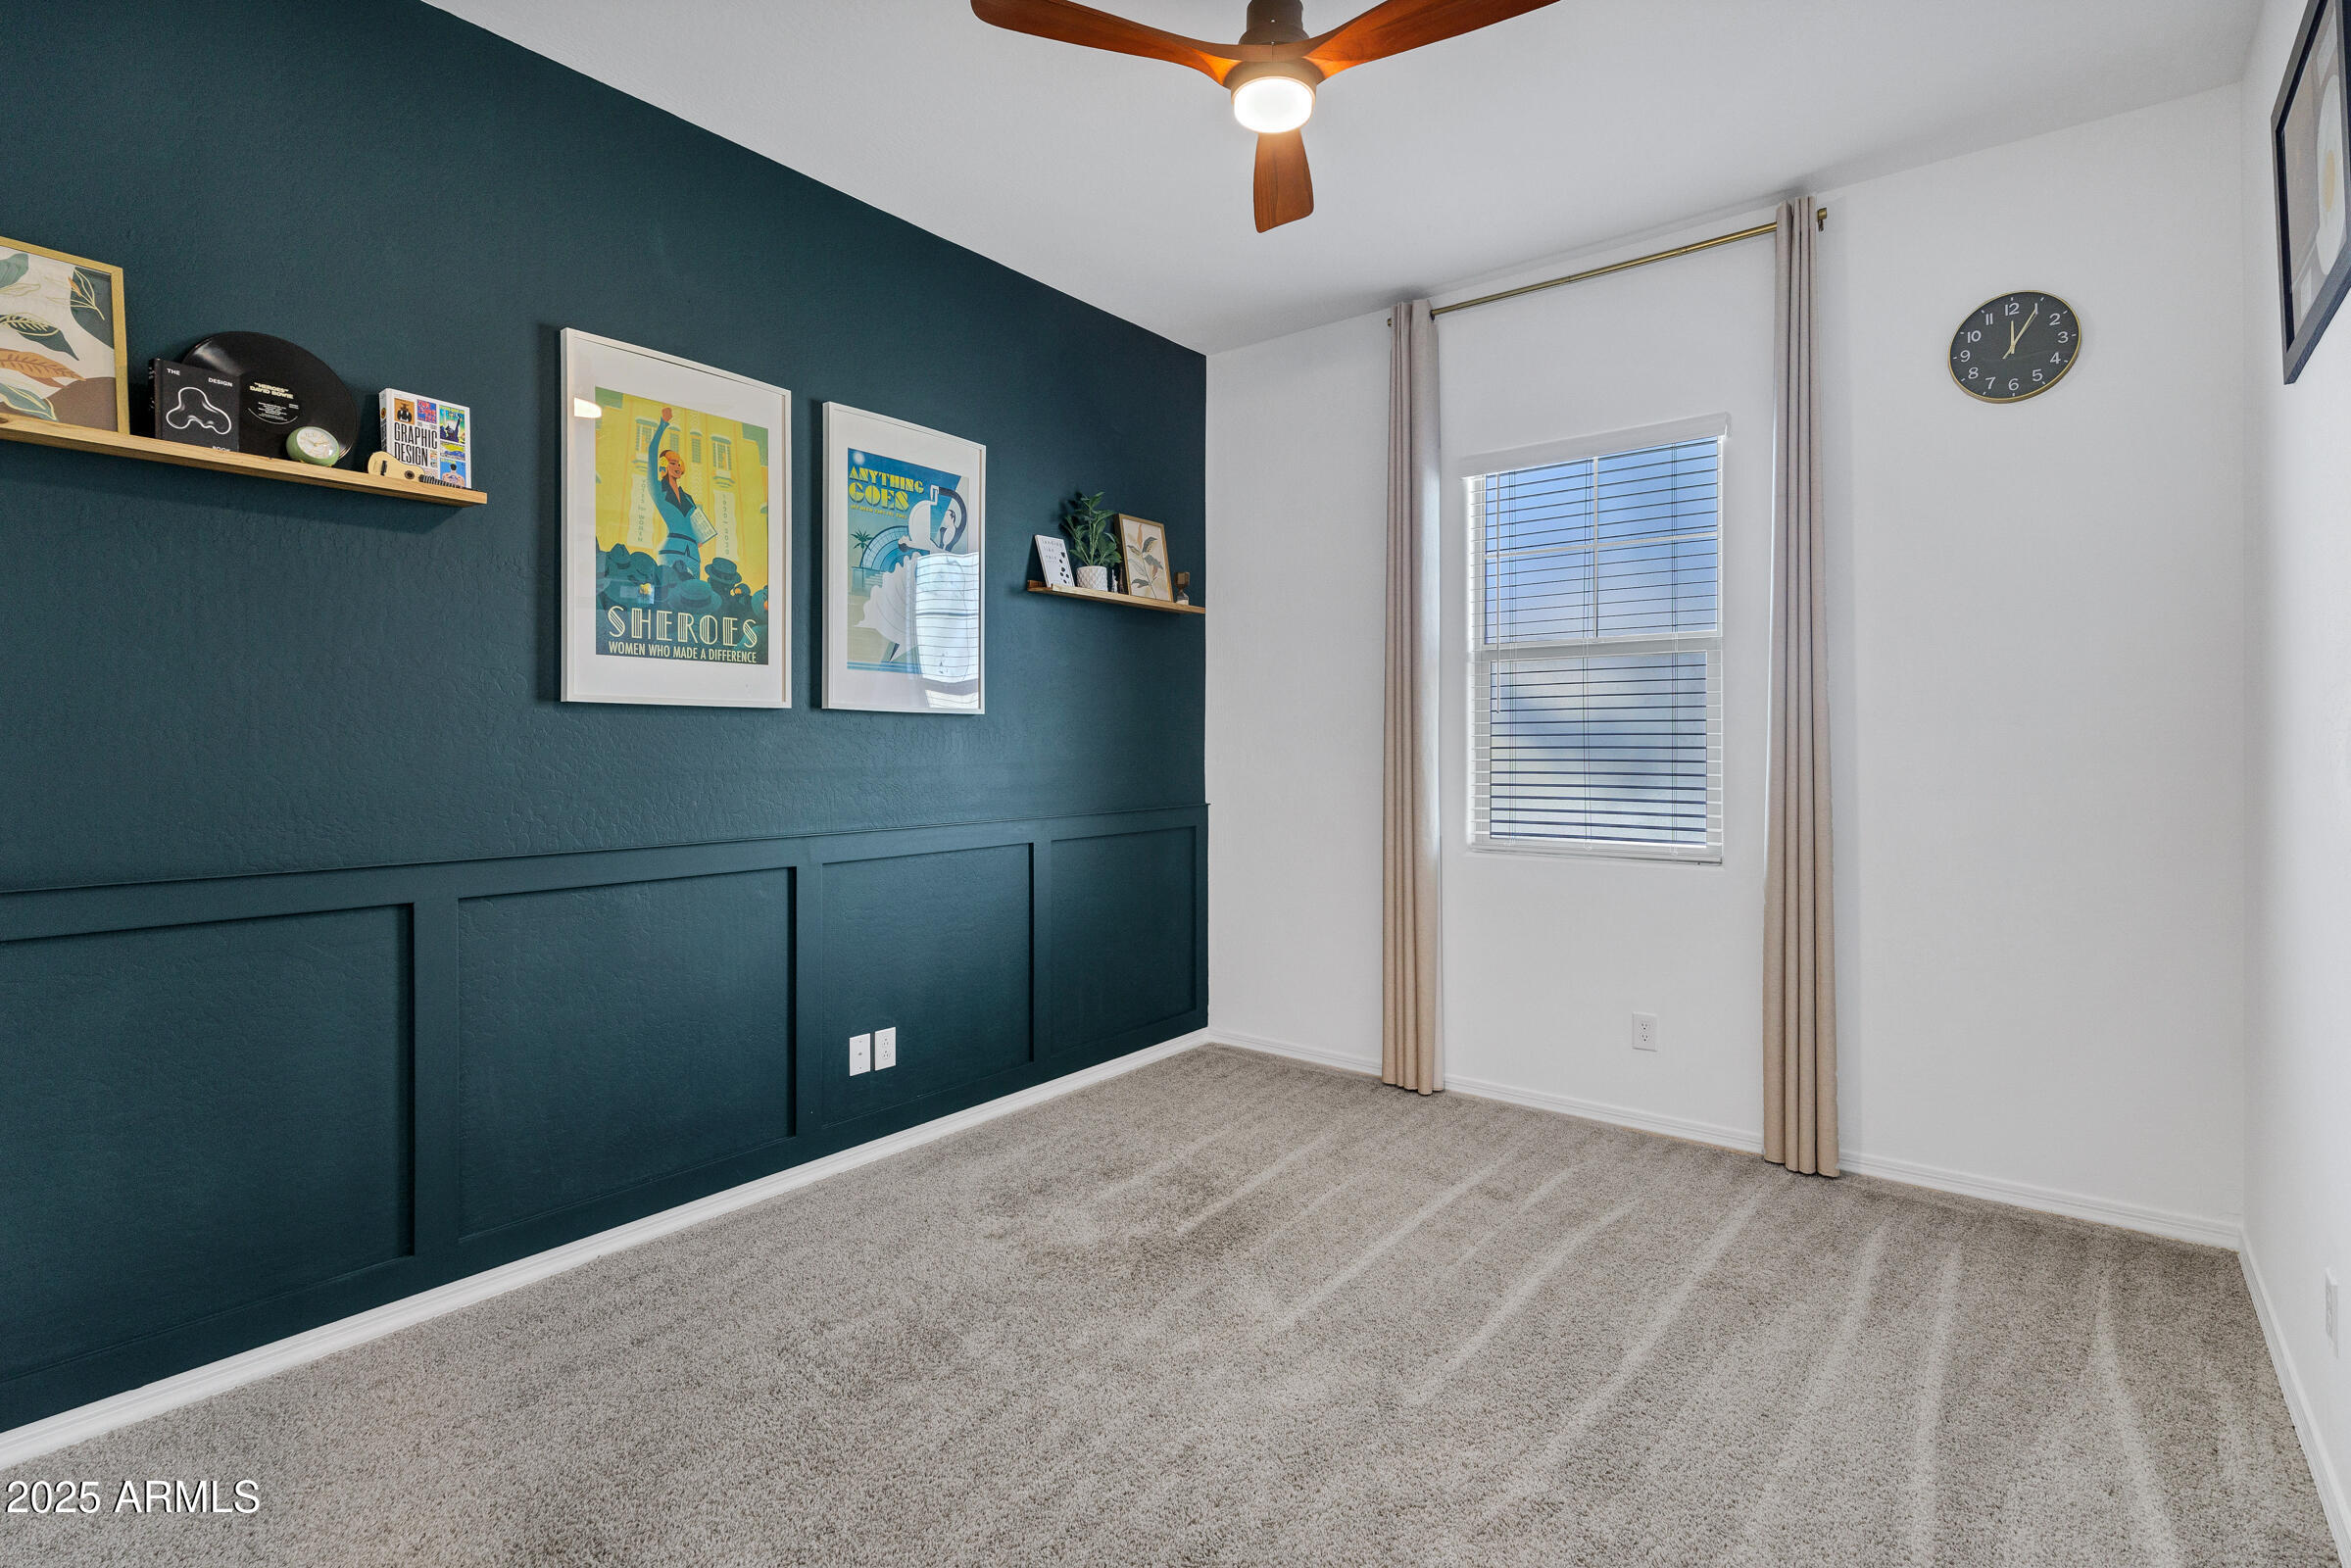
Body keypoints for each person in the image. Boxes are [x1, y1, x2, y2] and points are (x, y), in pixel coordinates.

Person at [645, 408, 711, 586]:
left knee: (694, 596)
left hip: (694, 556)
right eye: (672, 462)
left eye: (678, 463)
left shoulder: (688, 497)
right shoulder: (658, 489)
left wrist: (700, 537)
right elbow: (651, 452)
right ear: (664, 464)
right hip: (672, 551)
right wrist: (662, 425)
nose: (676, 466)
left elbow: (697, 523)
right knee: (670, 594)